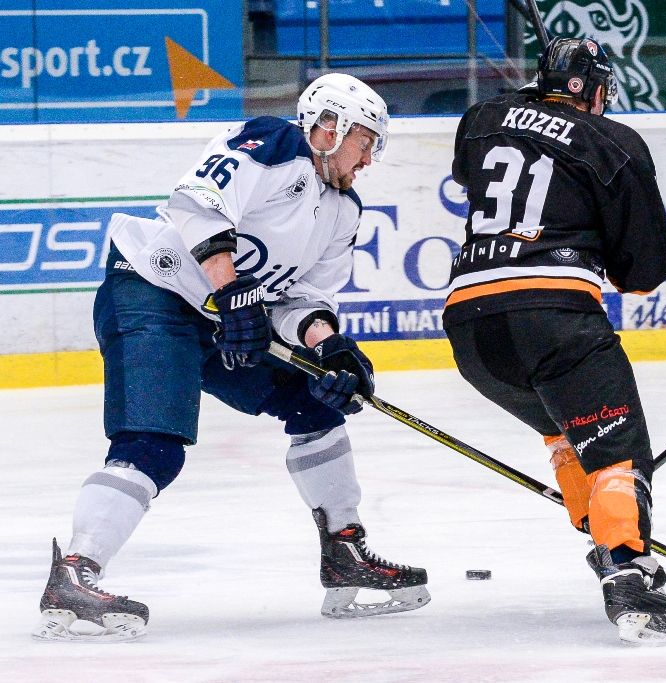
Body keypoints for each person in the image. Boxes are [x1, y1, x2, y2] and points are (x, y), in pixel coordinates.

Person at [34, 73, 430, 642]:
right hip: (154, 293)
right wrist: (233, 290)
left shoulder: (344, 209)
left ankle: (343, 551)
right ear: (329, 126)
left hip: (225, 321)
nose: (369, 159)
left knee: (315, 404)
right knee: (153, 444)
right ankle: (75, 571)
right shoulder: (273, 144)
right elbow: (195, 205)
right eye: (365, 141)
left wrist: (331, 348)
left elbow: (302, 299)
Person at [443, 36, 666, 646]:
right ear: (594, 90)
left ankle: (605, 534)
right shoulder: (613, 142)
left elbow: (470, 170)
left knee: (568, 429)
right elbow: (642, 272)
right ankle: (625, 570)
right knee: (616, 448)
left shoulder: (481, 120)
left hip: (472, 333)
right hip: (553, 317)